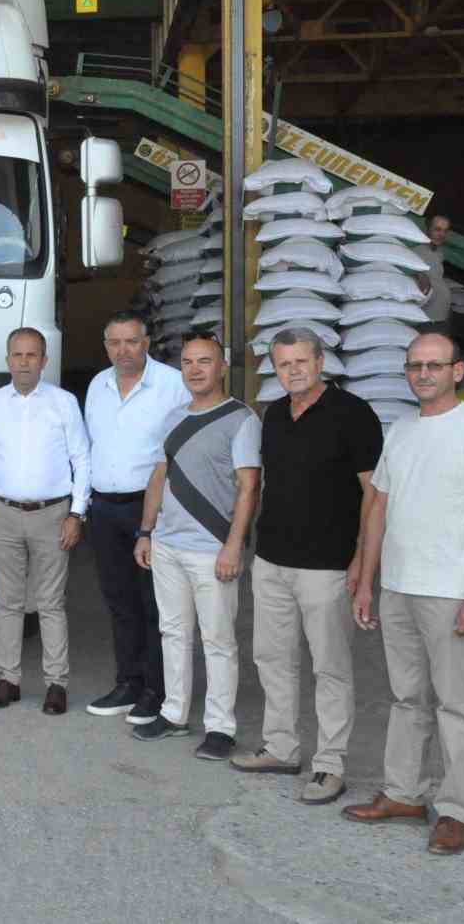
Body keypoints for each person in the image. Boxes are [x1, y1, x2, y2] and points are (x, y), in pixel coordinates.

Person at [342, 332, 464, 855]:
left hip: (450, 591)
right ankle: (404, 794)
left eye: (435, 365)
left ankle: (455, 810)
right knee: (406, 698)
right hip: (398, 586)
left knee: (454, 704)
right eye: (415, 365)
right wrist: (368, 580)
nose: (423, 373)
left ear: (457, 371)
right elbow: (378, 510)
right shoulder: (400, 431)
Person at [232, 327, 382, 806]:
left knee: (330, 668)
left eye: (301, 361)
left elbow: (374, 495)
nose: (292, 371)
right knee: (272, 659)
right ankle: (281, 747)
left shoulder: (354, 415)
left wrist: (362, 559)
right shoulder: (273, 415)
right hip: (273, 560)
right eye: (283, 364)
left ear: (320, 361)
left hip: (327, 566)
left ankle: (329, 765)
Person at [131, 335, 259, 761]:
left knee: (219, 640)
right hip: (167, 545)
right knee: (174, 632)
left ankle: (220, 728)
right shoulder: (172, 418)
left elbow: (248, 486)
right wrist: (146, 531)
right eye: (187, 362)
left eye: (205, 361)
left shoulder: (242, 418)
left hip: (212, 549)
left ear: (222, 366)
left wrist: (233, 547)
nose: (195, 370)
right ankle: (174, 713)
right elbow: (160, 476)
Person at [0, 328, 89, 715]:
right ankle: (9, 679)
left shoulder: (64, 403)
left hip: (52, 513)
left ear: (45, 361)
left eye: (32, 355)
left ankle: (57, 683)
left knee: (51, 602)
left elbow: (82, 460)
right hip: (3, 513)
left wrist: (77, 513)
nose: (24, 362)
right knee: (8, 602)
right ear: (7, 360)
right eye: (18, 355)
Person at [82, 310, 192, 725]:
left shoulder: (172, 385)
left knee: (155, 603)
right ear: (106, 345)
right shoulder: (97, 385)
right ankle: (127, 682)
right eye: (114, 342)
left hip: (151, 509)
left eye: (131, 341)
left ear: (146, 343)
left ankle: (156, 691)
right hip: (106, 508)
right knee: (119, 601)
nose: (123, 350)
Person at [414, 215, 452, 334]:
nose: (442, 234)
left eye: (445, 231)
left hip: (440, 316)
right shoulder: (416, 251)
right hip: (427, 319)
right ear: (427, 229)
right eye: (437, 229)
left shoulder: (439, 253)